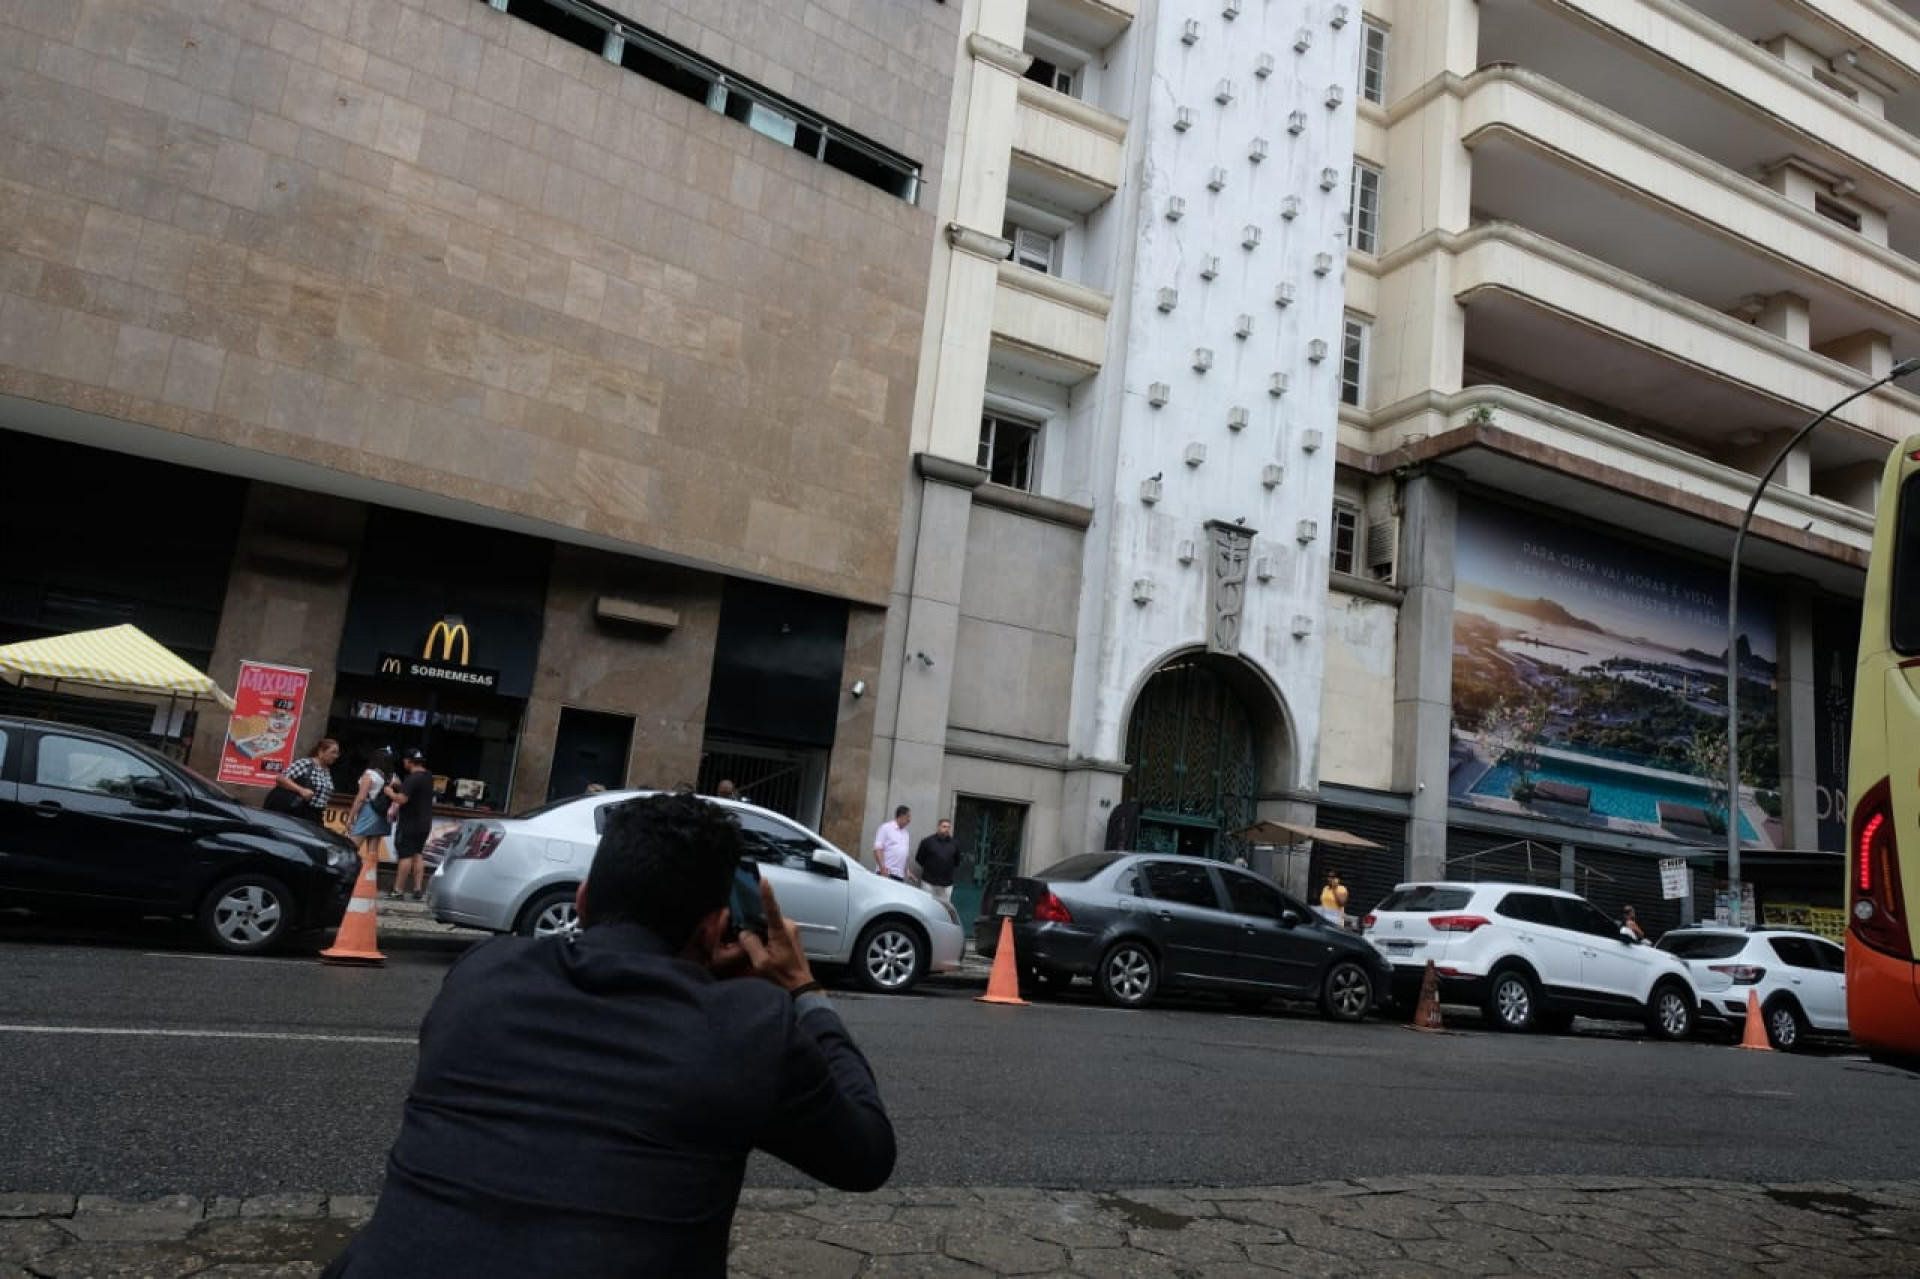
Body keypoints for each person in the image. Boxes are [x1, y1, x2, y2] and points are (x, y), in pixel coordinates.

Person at [321, 792, 894, 1278]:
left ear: (583, 900)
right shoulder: (748, 1026)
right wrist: (802, 989)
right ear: (717, 927)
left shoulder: (482, 973)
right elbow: (866, 1155)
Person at [386, 748, 435, 902]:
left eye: (404, 761)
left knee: (405, 856)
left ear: (408, 761)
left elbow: (402, 799)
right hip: (425, 823)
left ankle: (398, 890)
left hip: (410, 823)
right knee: (418, 854)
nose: (403, 763)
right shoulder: (428, 776)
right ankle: (418, 888)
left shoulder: (412, 778)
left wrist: (390, 792)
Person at [346, 747, 395, 864]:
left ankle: (345, 874)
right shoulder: (390, 776)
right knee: (372, 852)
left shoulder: (370, 774)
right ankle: (369, 879)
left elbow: (361, 797)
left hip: (369, 811)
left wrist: (350, 816)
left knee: (350, 846)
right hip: (381, 813)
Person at [274, 738, 340, 823]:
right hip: (301, 812)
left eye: (337, 753)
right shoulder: (306, 764)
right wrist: (301, 790)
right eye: (333, 752)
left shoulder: (326, 770)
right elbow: (281, 778)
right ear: (321, 752)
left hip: (317, 814)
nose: (336, 756)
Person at [912, 817, 960, 904]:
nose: (946, 829)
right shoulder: (927, 842)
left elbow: (957, 861)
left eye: (948, 827)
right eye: (944, 827)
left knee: (944, 909)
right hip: (928, 883)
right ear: (938, 827)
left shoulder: (955, 844)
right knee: (926, 905)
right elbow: (919, 859)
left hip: (946, 885)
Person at [870, 805, 911, 880]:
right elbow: (878, 849)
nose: (910, 819)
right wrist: (882, 867)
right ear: (901, 816)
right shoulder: (886, 828)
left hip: (899, 875)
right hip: (886, 872)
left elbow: (905, 853)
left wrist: (907, 870)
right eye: (908, 817)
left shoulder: (906, 833)